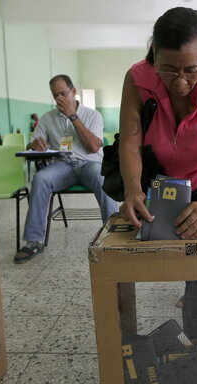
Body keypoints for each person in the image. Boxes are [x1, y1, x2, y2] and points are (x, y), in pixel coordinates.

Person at [118, 7, 197, 342]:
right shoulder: (136, 79)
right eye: (168, 69)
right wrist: (132, 189)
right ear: (153, 55)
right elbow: (130, 144)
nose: (179, 82)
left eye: (191, 70)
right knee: (148, 240)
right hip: (156, 180)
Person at [14, 74, 118, 264]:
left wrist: (73, 116)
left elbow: (94, 147)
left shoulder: (93, 115)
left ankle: (114, 236)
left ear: (73, 91)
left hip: (90, 163)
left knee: (103, 179)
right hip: (62, 165)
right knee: (40, 179)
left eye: (63, 93)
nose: (60, 99)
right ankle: (34, 241)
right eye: (55, 96)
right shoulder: (47, 119)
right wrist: (34, 144)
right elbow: (34, 143)